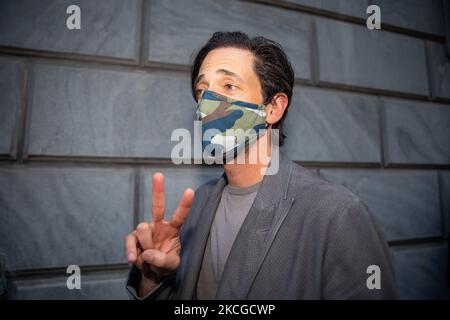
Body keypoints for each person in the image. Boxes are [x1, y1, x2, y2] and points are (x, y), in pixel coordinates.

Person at [125, 31, 397, 299]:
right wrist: (153, 278)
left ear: (273, 108)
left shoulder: (338, 215)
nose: (207, 104)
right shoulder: (198, 205)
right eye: (202, 90)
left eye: (229, 86)